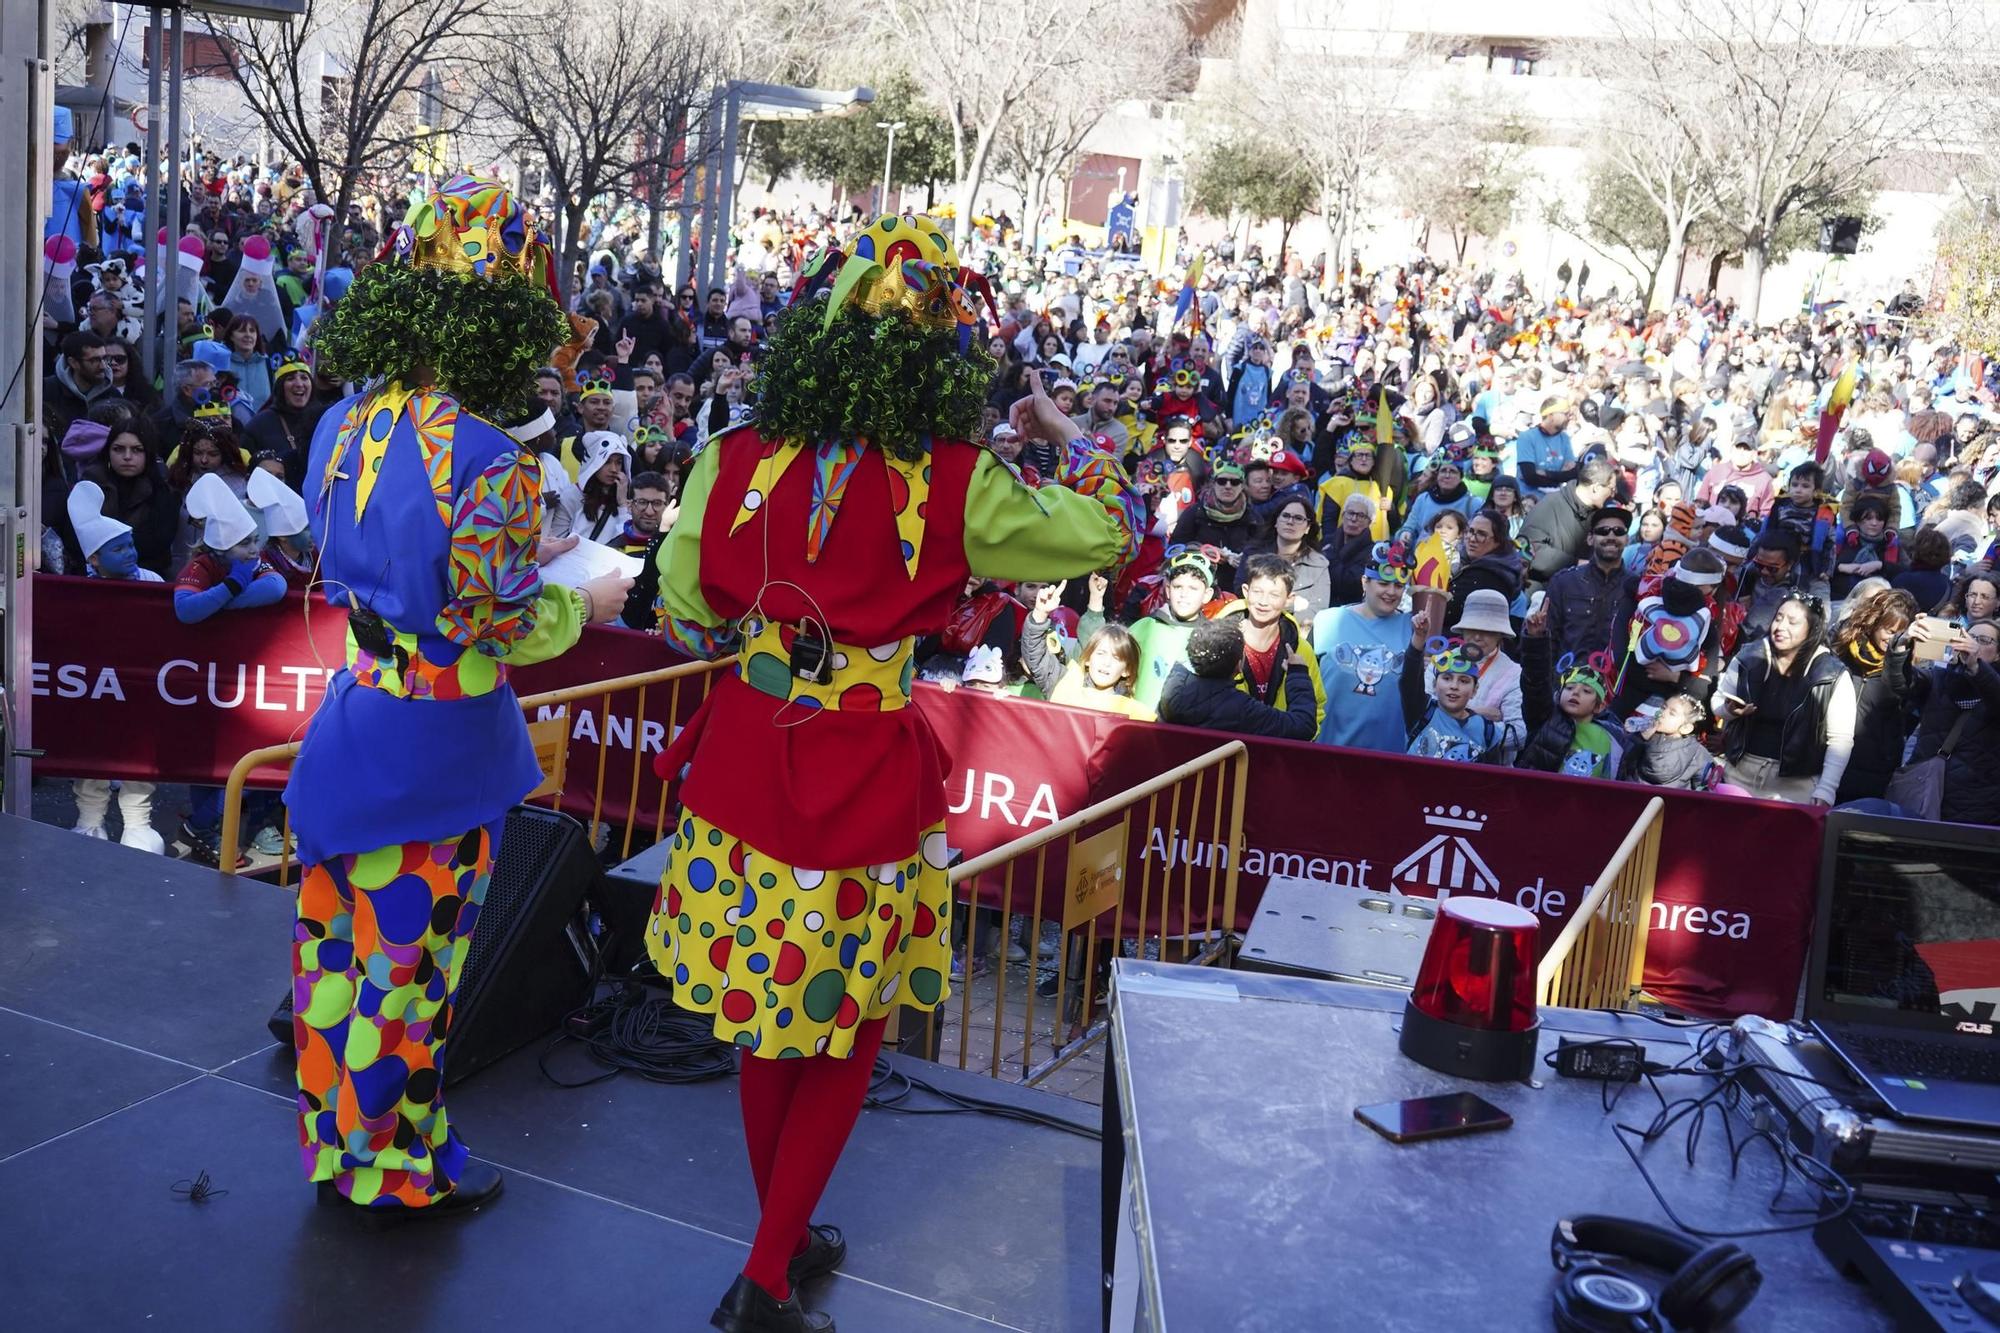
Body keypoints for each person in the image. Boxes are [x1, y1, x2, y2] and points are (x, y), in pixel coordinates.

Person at [641, 215, 1140, 1333]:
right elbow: (1109, 531)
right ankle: (766, 1274)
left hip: (739, 768)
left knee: (767, 1017)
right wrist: (1065, 425)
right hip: (860, 778)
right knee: (844, 1024)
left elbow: (680, 610)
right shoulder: (960, 482)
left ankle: (779, 1241)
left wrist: (763, 637)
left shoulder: (728, 457)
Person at [285, 177, 632, 1221]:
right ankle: (393, 1170)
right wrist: (588, 601)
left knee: (333, 962)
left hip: (353, 722)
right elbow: (499, 621)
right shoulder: (495, 461)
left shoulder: (343, 420)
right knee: (412, 974)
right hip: (439, 750)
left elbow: (356, 550)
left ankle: (348, 1152)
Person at [65, 480, 167, 853]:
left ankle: (138, 825)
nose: (130, 554)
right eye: (118, 549)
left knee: (138, 758)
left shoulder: (153, 581)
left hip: (140, 689)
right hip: (96, 690)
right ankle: (90, 822)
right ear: (94, 559)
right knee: (92, 753)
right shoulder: (82, 594)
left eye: (131, 545)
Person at [1714, 591, 1855, 804]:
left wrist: (1826, 789)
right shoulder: (1749, 657)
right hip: (1739, 774)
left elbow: (1840, 740)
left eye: (1793, 622)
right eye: (1778, 618)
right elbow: (1718, 701)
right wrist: (1729, 711)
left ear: (1812, 629)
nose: (1781, 627)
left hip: (1797, 785)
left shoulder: (1832, 674)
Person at [1312, 539, 1416, 751]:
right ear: (1364, 582)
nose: (1391, 592)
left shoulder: (1412, 627)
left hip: (1386, 754)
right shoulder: (1327, 620)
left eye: (1398, 586)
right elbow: (1306, 681)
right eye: (1383, 583)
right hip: (1327, 749)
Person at [1902, 616, 2000, 825]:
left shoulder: (1994, 687)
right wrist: (1902, 646)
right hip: (1925, 791)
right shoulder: (1938, 678)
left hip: (1977, 805)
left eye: (1984, 640)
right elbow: (1900, 683)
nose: (1973, 644)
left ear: (1998, 653)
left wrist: (1976, 666)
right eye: (1969, 637)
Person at [1214, 554, 1327, 735]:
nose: (1263, 602)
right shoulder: (1218, 641)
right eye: (1257, 592)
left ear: (1289, 599)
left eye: (1274, 595)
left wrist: (1294, 744)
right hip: (1226, 749)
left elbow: (1317, 705)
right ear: (1245, 590)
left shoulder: (1299, 649)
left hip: (1280, 752)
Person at [1158, 617, 1317, 739]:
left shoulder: (1173, 688)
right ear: (1239, 666)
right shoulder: (1241, 709)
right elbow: (1302, 726)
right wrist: (1297, 674)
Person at [1515, 607, 1628, 779]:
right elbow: (1536, 682)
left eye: (1586, 691)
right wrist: (1536, 639)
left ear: (1598, 706)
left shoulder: (1613, 738)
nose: (1575, 693)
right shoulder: (1545, 718)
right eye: (1569, 688)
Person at [1829, 586, 1918, 804]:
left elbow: (1905, 689)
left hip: (1875, 767)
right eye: (1888, 629)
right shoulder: (1843, 649)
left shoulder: (1907, 664)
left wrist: (1900, 654)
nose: (1892, 637)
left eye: (1900, 632)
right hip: (1829, 755)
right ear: (1875, 623)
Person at [1019, 578, 1154, 720]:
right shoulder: (1062, 683)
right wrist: (1040, 613)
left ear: (1127, 670)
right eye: (1101, 653)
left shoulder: (1135, 714)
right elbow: (1035, 656)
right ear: (1088, 659)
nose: (1106, 663)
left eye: (1116, 657)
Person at [1123, 546, 1218, 713]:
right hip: (1138, 725)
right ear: (1168, 590)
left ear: (1207, 594)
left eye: (1193, 588)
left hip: (1185, 731)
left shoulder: (1212, 639)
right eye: (1178, 587)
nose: (1184, 594)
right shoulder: (1145, 626)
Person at [1398, 626, 1505, 763]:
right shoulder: (1421, 712)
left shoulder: (1487, 731)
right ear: (1434, 685)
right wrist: (1418, 639)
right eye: (1447, 678)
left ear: (1474, 690)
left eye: (1464, 681)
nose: (1454, 686)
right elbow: (1409, 680)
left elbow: (1491, 778)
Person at [1545, 504, 1636, 664]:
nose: (1611, 536)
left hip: (1613, 685)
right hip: (1567, 682)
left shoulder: (1637, 587)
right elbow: (1548, 638)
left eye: (1619, 531)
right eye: (1603, 531)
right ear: (1590, 538)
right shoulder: (1564, 582)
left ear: (1627, 539)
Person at [1448, 589, 1526, 763]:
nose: (1477, 636)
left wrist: (1456, 717)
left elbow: (1518, 734)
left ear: (1500, 635)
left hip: (1489, 774)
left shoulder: (1514, 673)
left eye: (1488, 630)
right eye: (1472, 628)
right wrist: (1478, 715)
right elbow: (1423, 715)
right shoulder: (1441, 661)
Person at [1520, 454, 1619, 588]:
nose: (1613, 495)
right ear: (1595, 488)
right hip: (1544, 586)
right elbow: (1528, 550)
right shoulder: (1550, 505)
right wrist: (1576, 564)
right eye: (1611, 489)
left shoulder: (1598, 514)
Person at [243, 348, 327, 491]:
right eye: (290, 378)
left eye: (304, 377)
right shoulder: (259, 425)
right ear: (280, 387)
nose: (299, 384)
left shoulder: (326, 418)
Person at [1247, 495, 1331, 621]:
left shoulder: (1319, 564)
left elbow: (1319, 609)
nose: (1290, 522)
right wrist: (1291, 604)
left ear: (1308, 527)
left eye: (1298, 518)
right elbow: (1240, 590)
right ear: (1276, 521)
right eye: (1285, 516)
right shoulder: (1253, 553)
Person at [1617, 692, 1718, 790]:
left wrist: (1638, 739)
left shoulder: (1644, 739)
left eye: (1672, 713)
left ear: (1686, 728)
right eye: (1663, 707)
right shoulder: (1697, 753)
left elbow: (1620, 762)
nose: (1662, 713)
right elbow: (1707, 789)